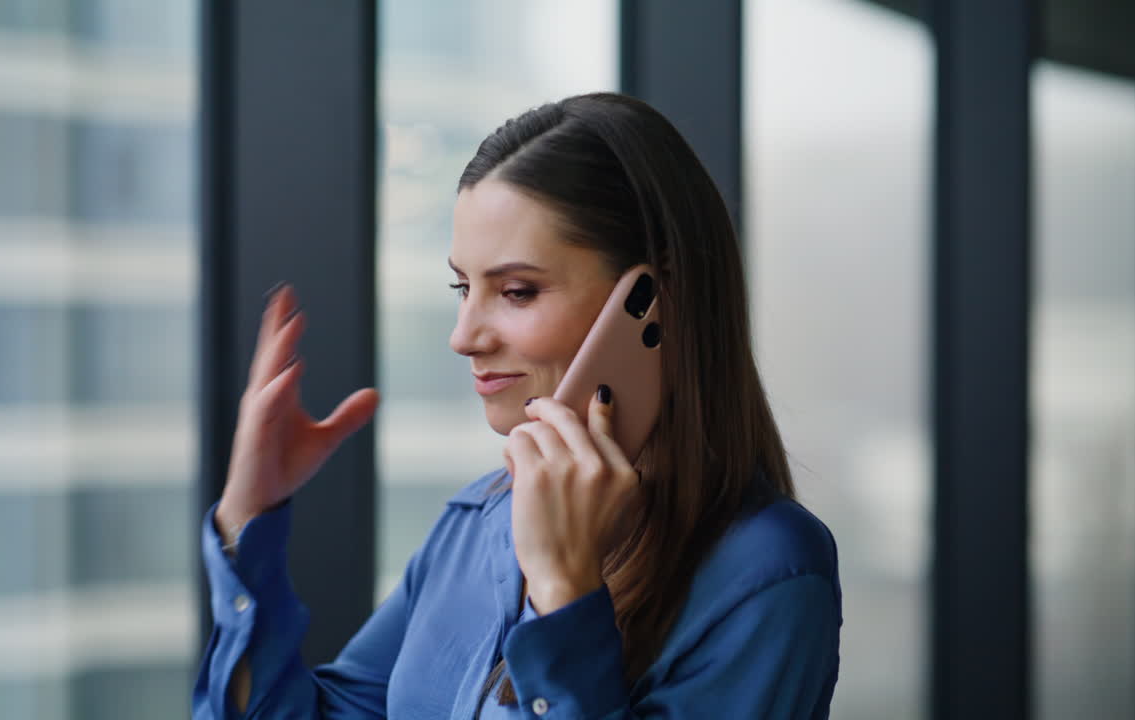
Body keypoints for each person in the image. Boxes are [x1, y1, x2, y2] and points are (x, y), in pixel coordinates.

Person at [192, 92, 841, 719]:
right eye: (462, 286)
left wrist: (563, 594)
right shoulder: (480, 521)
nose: (463, 336)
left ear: (656, 298)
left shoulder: (770, 574)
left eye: (517, 291)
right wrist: (247, 517)